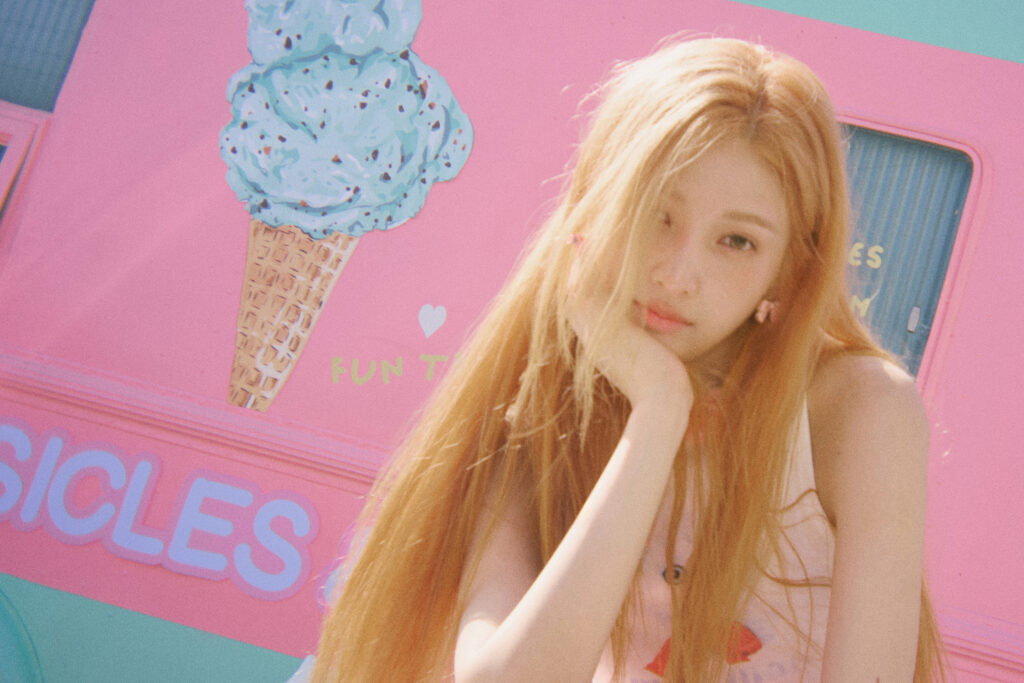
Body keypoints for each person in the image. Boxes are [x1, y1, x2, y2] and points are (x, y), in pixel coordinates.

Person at [309, 37, 944, 682]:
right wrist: (660, 409)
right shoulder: (545, 404)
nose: (677, 275)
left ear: (788, 270)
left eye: (736, 241)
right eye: (656, 215)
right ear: (601, 205)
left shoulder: (860, 410)